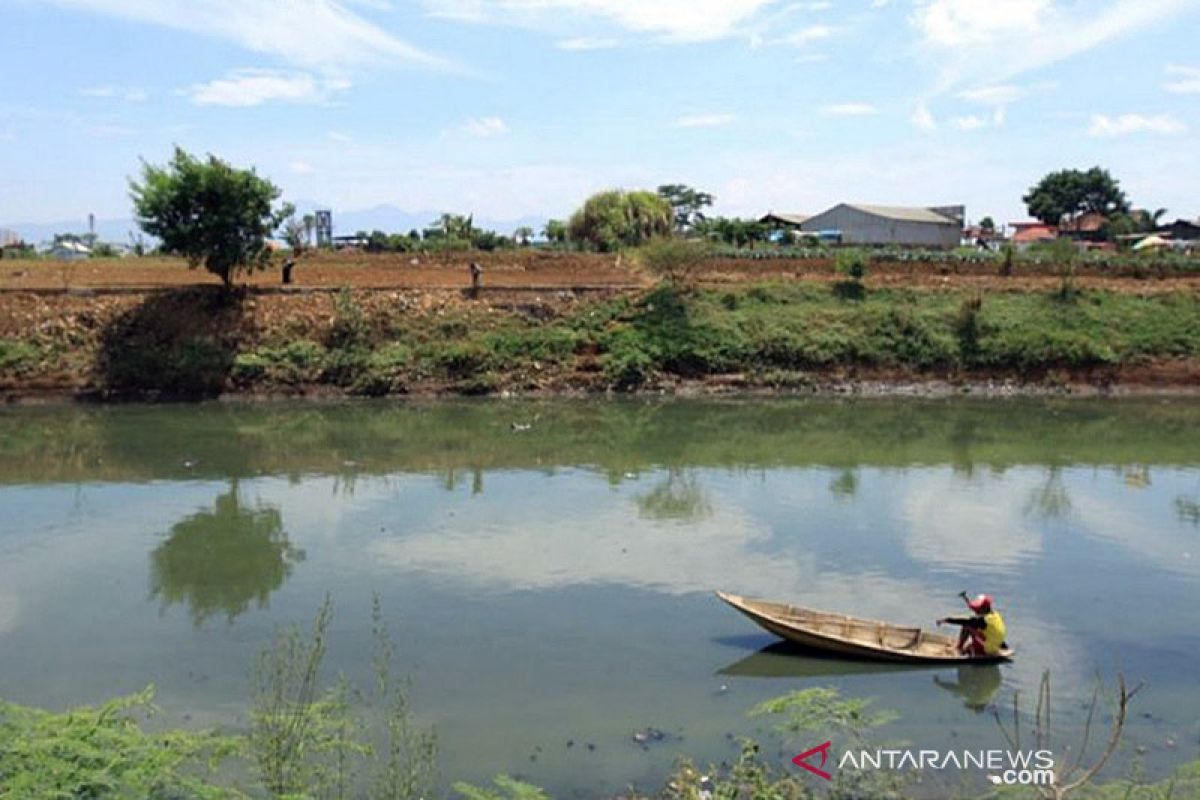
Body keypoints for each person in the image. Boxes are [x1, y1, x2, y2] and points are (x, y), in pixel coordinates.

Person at [937, 592, 1007, 657]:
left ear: (984, 608)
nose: (976, 611)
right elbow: (997, 632)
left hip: (988, 649)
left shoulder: (983, 620)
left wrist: (945, 620)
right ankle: (972, 645)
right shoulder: (995, 615)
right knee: (977, 627)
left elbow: (962, 621)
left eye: (978, 609)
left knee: (967, 626)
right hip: (996, 644)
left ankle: (959, 648)